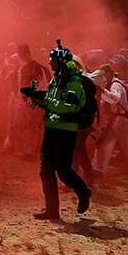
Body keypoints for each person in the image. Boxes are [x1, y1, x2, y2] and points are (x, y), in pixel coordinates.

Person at [20, 40, 92, 221]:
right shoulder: (55, 79)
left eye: (53, 61)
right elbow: (52, 103)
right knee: (45, 170)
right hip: (51, 128)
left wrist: (45, 101)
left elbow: (67, 107)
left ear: (61, 63)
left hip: (65, 131)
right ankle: (51, 209)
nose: (50, 63)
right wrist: (37, 98)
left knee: (63, 171)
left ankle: (83, 191)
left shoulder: (74, 83)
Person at [90, 63, 128, 182]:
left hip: (121, 119)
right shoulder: (112, 83)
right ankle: (98, 170)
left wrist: (102, 90)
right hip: (116, 119)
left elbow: (115, 99)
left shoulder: (115, 84)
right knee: (104, 143)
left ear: (109, 74)